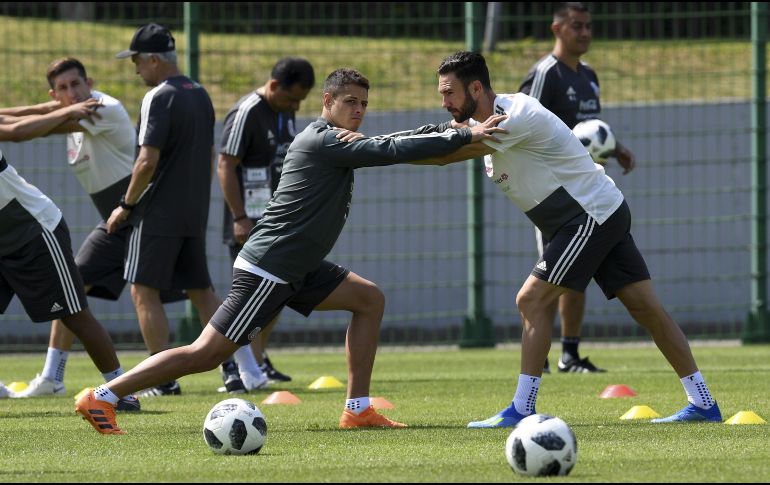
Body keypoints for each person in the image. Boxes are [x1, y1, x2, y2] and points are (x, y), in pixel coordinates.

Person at [74, 67, 508, 434]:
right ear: (328, 101)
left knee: (368, 299)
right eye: (351, 102)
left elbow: (392, 139)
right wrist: (462, 133)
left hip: (298, 267)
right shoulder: (324, 140)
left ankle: (357, 411)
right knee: (206, 354)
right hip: (270, 268)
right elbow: (390, 148)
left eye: (363, 104)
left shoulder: (339, 140)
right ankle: (103, 396)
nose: (358, 110)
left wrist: (451, 133)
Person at [421, 51, 720, 426]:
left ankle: (521, 409)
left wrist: (372, 151)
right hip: (601, 211)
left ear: (476, 87)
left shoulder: (514, 116)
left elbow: (445, 155)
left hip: (589, 216)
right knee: (645, 308)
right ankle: (704, 403)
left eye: (448, 93)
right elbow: (445, 143)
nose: (444, 102)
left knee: (530, 300)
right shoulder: (485, 122)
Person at [0, 57, 181, 399]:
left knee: (136, 294)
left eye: (76, 85)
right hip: (113, 217)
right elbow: (17, 120)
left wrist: (59, 108)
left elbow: (22, 129)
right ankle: (56, 377)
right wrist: (56, 107)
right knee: (83, 288)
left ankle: (141, 384)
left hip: (136, 214)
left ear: (90, 81)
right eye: (62, 89)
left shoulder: (101, 110)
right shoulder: (72, 112)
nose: (72, 94)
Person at [107, 23, 247, 397]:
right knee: (201, 291)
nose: (136, 69)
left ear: (154, 60)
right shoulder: (200, 94)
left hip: (157, 213)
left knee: (142, 290)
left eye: (137, 61)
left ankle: (162, 378)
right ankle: (232, 370)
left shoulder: (158, 96)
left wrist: (125, 205)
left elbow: (146, 161)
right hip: (193, 213)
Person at [518, 2, 636, 374]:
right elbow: (523, 123)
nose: (584, 33)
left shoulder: (589, 75)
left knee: (578, 273)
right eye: (576, 26)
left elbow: (591, 129)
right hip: (556, 193)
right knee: (551, 274)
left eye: (588, 26)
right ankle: (543, 356)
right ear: (557, 29)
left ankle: (570, 354)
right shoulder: (545, 74)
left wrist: (615, 149)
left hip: (590, 190)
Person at [0, 103, 139, 415]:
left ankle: (122, 390)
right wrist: (53, 107)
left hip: (33, 230)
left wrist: (66, 111)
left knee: (74, 315)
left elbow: (15, 129)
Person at [217, 57, 316, 389]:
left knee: (277, 294)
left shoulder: (284, 111)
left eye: (300, 101)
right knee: (246, 299)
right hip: (249, 221)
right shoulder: (247, 112)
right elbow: (225, 165)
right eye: (291, 99)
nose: (295, 106)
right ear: (274, 86)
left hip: (276, 219)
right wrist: (239, 217)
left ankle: (256, 363)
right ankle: (237, 367)